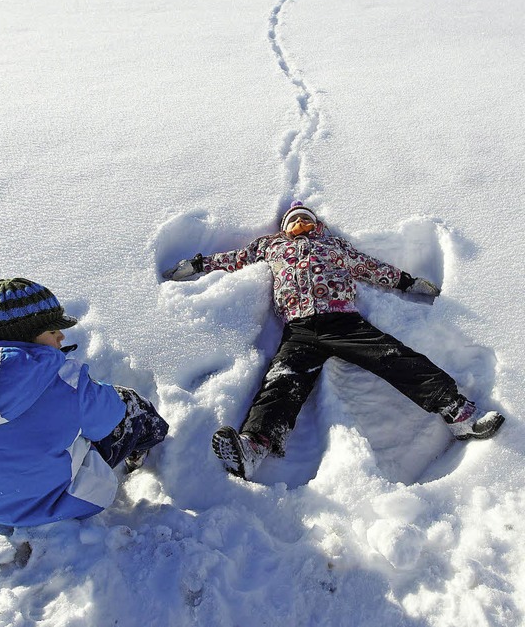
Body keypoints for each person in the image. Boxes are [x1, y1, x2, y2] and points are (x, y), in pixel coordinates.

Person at [163, 201, 504, 480]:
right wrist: (198, 264)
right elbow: (235, 259)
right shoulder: (271, 246)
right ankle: (255, 445)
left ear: (316, 224)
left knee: (394, 357)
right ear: (284, 228)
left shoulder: (333, 245)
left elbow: (370, 266)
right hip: (300, 330)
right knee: (282, 382)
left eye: (305, 220)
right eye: (293, 221)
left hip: (344, 321)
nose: (299, 224)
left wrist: (407, 282)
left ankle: (458, 413)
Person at [0, 278, 168, 536]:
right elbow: (111, 416)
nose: (61, 336)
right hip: (60, 503)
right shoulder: (66, 379)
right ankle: (142, 449)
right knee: (131, 408)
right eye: (52, 330)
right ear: (26, 335)